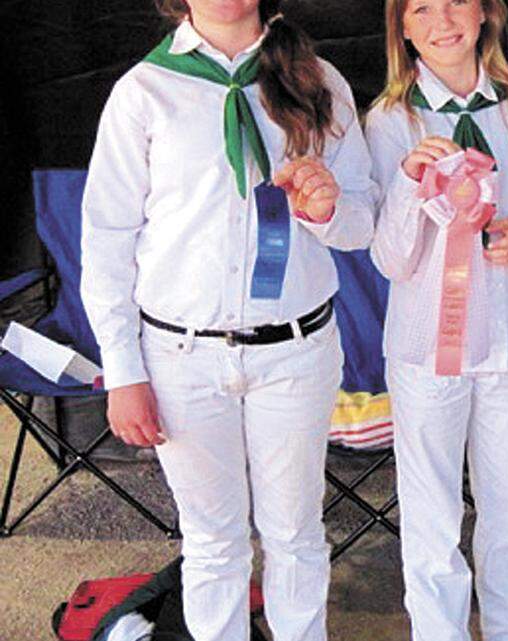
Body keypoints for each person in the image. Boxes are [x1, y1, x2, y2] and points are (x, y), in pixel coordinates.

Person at [80, 1, 376, 640]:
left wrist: (328, 209)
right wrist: (122, 367)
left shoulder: (317, 79)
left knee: (295, 531)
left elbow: (363, 224)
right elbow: (106, 236)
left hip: (294, 353)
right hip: (182, 357)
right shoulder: (144, 91)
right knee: (212, 540)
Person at [364, 1, 508, 639]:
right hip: (428, 349)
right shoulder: (390, 121)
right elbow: (391, 257)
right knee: (432, 519)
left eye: (457, 1)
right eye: (421, 7)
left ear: (485, 14)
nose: (443, 19)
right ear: (402, 27)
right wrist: (407, 183)